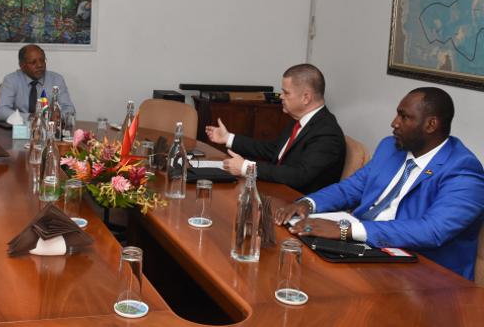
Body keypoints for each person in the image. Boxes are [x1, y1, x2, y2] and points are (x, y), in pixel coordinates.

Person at [275, 87, 484, 280]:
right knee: (291, 261)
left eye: (404, 117)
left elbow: (432, 230)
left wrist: (346, 230)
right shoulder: (391, 147)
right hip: (366, 249)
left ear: (431, 125)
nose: (394, 123)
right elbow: (351, 188)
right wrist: (307, 203)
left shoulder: (463, 170)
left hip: (423, 274)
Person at [205, 64, 345, 194]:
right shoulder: (299, 120)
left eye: (286, 93)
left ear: (306, 98)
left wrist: (247, 168)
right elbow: (273, 150)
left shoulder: (327, 133)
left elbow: (299, 175)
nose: (281, 97)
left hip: (297, 201)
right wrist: (228, 138)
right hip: (278, 190)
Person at [0, 44, 75, 122]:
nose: (40, 65)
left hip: (48, 128)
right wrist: (30, 117)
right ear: (22, 65)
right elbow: (1, 112)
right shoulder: (11, 80)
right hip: (20, 128)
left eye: (42, 60)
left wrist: (59, 116)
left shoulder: (57, 79)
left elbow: (69, 109)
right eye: (33, 62)